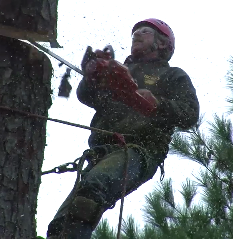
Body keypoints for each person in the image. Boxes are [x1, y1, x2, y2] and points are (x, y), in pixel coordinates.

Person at [46, 18, 200, 239]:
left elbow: (190, 114)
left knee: (91, 193)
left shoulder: (172, 75)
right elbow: (88, 97)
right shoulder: (120, 72)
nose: (136, 35)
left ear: (163, 44)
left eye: (144, 32)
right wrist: (92, 77)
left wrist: (158, 104)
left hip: (141, 150)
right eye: (134, 33)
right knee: (64, 218)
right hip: (102, 152)